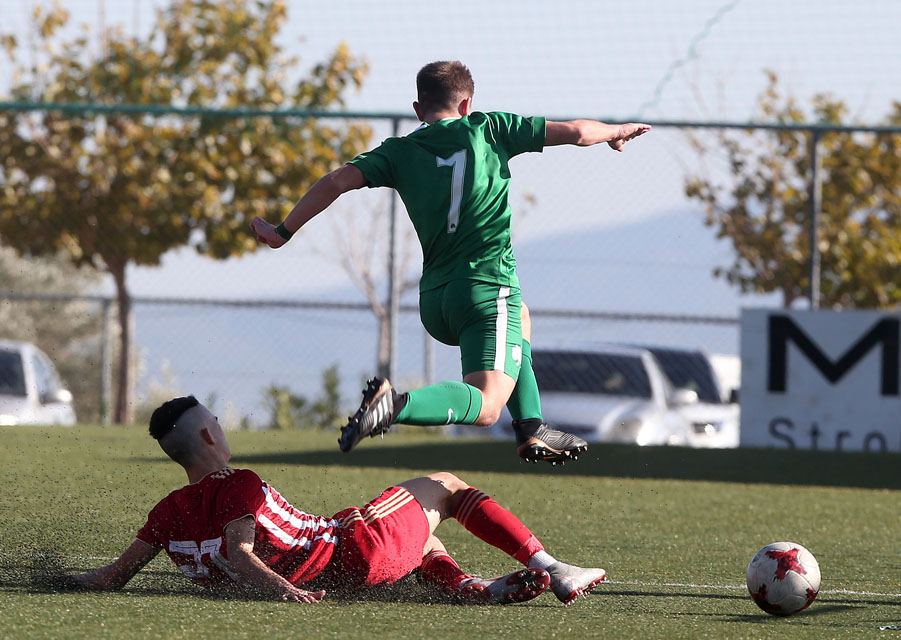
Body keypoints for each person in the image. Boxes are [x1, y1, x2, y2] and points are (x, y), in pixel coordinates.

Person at [251, 60, 651, 464]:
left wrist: (282, 231)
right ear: (466, 105)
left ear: (417, 109)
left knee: (521, 318)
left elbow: (335, 181)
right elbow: (580, 132)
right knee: (488, 405)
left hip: (436, 301)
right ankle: (396, 405)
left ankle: (531, 428)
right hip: (486, 289)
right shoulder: (489, 128)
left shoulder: (398, 151)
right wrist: (616, 133)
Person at [71, 396, 608, 605]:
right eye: (215, 420)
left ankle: (473, 589)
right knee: (444, 485)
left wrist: (59, 579)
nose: (220, 425)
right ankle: (554, 566)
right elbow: (240, 550)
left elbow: (114, 576)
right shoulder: (241, 483)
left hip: (337, 570)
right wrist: (282, 592)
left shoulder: (167, 512)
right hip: (351, 547)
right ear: (210, 437)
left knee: (423, 533)